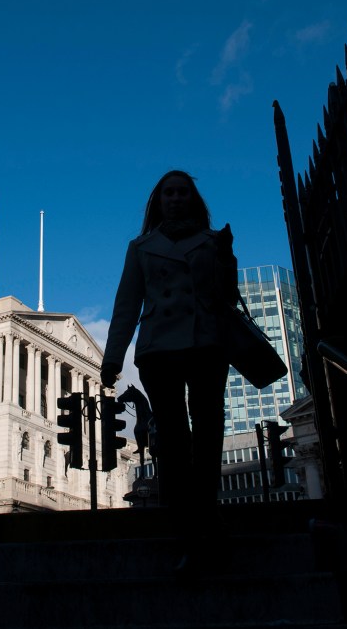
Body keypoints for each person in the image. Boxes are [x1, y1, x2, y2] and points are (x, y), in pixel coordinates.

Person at [101, 169, 238, 570]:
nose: (176, 198)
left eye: (183, 193)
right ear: (158, 202)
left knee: (211, 430)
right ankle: (186, 524)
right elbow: (126, 305)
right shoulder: (141, 247)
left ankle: (206, 510)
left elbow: (227, 297)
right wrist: (112, 359)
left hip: (206, 344)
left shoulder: (213, 242)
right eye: (169, 193)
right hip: (160, 349)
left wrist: (227, 257)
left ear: (193, 199)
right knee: (174, 437)